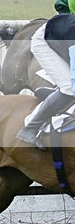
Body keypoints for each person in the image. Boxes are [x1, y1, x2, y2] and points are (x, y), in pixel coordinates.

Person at [16, 13, 75, 147]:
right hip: (44, 43)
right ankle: (30, 129)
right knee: (68, 87)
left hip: (60, 38)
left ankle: (54, 94)